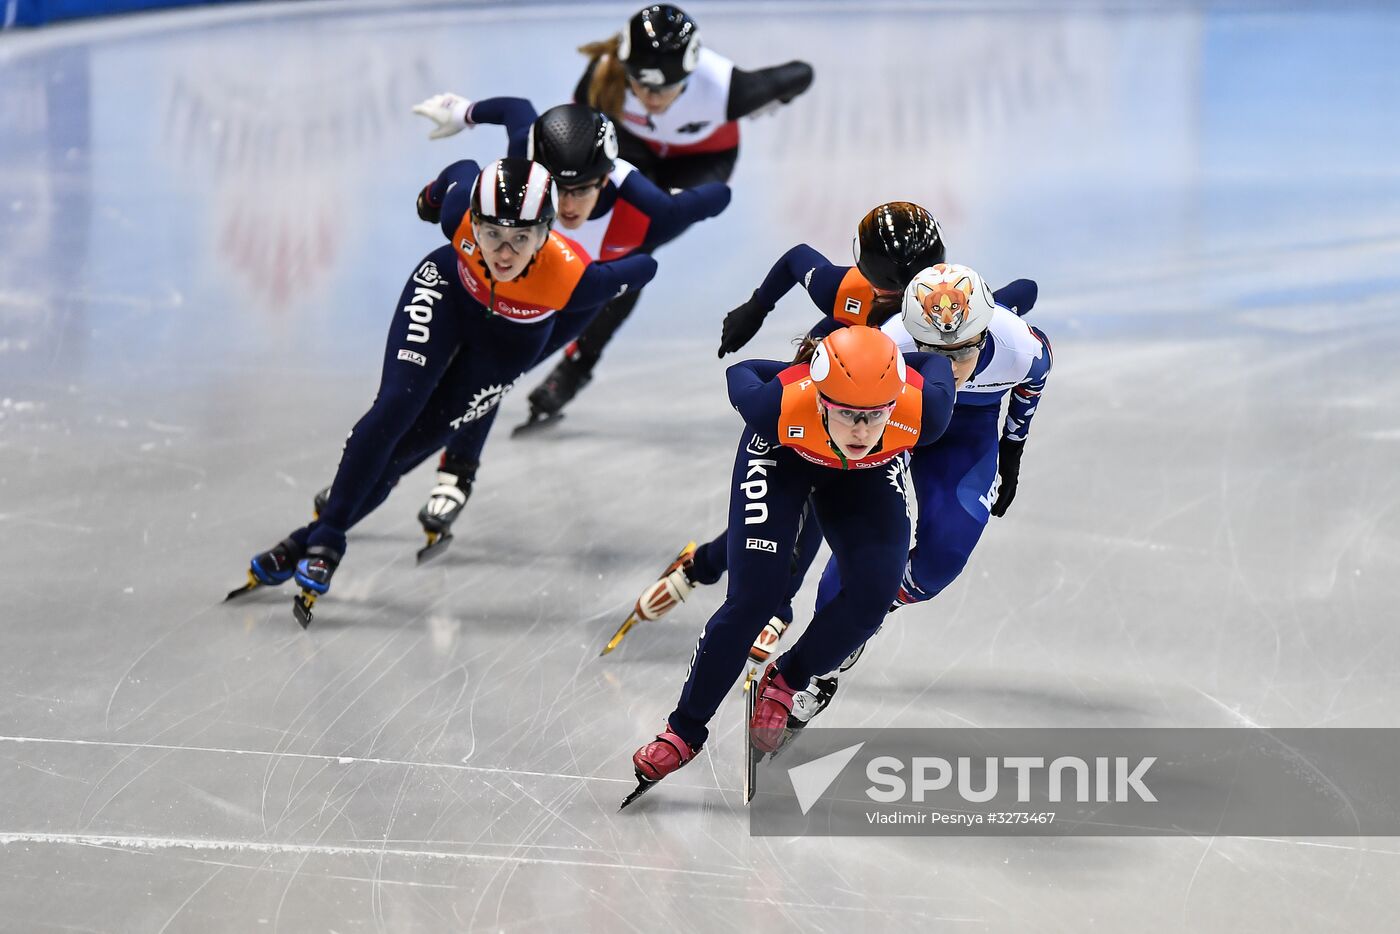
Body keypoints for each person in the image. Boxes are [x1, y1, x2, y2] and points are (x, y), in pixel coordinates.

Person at [624, 248, 1049, 732]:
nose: (951, 368)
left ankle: (844, 622)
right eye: (934, 352)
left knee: (938, 562)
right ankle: (803, 650)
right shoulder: (880, 338)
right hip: (885, 414)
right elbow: (805, 461)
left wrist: (1012, 449)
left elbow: (1026, 332)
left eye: (964, 352)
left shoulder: (1015, 342)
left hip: (949, 427)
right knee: (817, 502)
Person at [227, 157, 657, 625]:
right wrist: (433, 195)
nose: (504, 253)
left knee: (405, 452)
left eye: (521, 238)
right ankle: (329, 536)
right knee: (395, 406)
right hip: (449, 292)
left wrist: (561, 326)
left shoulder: (575, 279)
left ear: (545, 233)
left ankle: (299, 542)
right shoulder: (458, 218)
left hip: (508, 344)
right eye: (491, 234)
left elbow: (645, 266)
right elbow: (462, 169)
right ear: (473, 221)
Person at [622, 326, 957, 805]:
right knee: (754, 600)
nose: (861, 431)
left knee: (873, 600)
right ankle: (684, 730)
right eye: (847, 414)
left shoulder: (926, 412)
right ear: (821, 399)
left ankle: (786, 683)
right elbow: (742, 371)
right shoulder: (775, 405)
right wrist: (799, 372)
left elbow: (933, 363)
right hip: (784, 454)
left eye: (874, 415)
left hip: (867, 475)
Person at [382, 98, 732, 549]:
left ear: (605, 178)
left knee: (491, 379)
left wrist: (685, 194)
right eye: (558, 189)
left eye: (583, 189)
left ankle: (448, 475)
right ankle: (385, 465)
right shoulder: (524, 161)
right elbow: (517, 109)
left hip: (566, 303)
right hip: (503, 271)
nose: (567, 206)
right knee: (443, 372)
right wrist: (463, 112)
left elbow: (716, 198)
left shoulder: (647, 209)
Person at [523, 2, 814, 424]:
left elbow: (802, 72)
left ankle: (577, 364)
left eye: (666, 87)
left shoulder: (729, 89)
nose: (652, 98)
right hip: (633, 148)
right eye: (640, 85)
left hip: (701, 160)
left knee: (633, 245)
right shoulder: (600, 81)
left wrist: (777, 95)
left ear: (692, 73)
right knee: (611, 237)